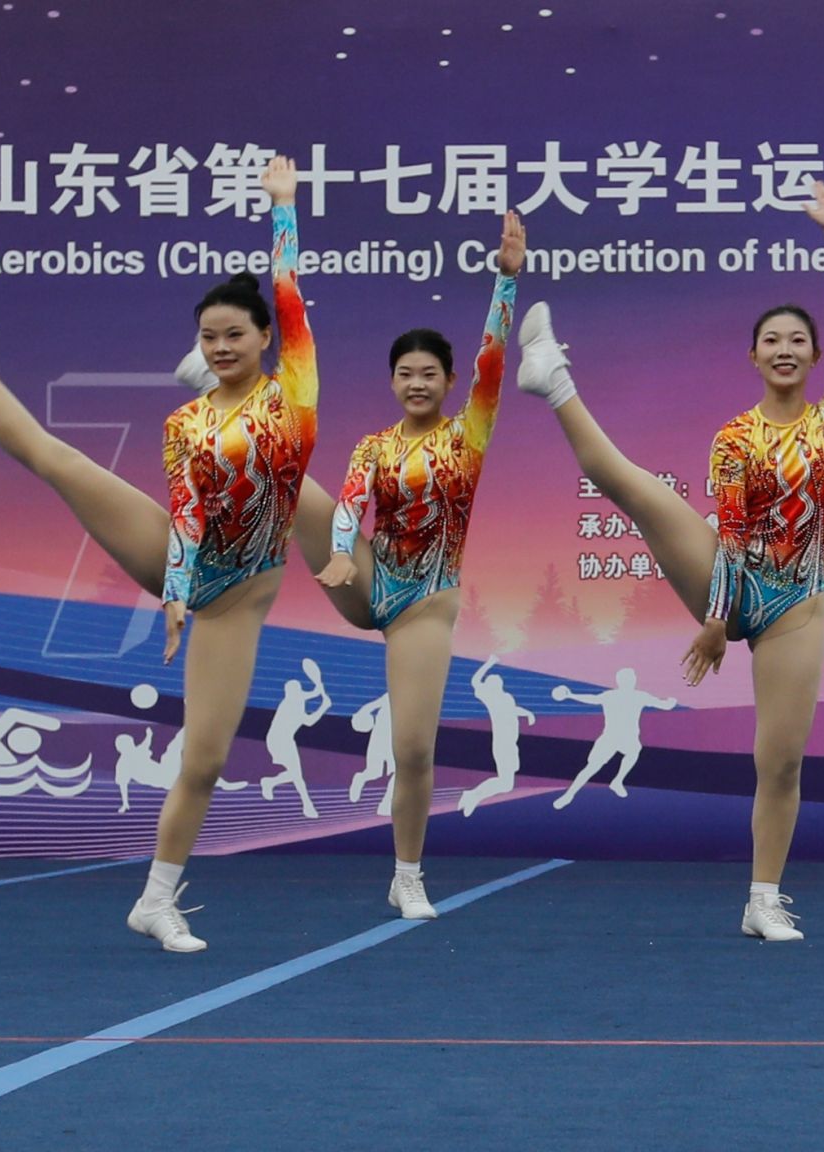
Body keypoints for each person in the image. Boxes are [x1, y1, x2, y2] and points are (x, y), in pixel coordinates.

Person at [0, 157, 321, 952]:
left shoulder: (295, 388)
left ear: (266, 338)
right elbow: (189, 512)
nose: (224, 343)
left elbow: (290, 289)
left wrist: (282, 207)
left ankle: (153, 901)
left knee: (207, 756)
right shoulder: (184, 428)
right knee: (55, 459)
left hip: (250, 589)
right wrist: (176, 595)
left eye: (233, 336)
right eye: (209, 338)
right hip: (207, 585)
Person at [512, 180, 824, 942]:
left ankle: (762, 900)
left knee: (780, 763)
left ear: (815, 356)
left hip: (797, 608)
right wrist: (714, 619)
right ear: (752, 356)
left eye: (797, 340)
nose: (784, 349)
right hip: (729, 579)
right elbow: (730, 532)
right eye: (771, 340)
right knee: (633, 487)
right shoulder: (734, 437)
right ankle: (551, 377)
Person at [313, 214, 525, 919]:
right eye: (405, 374)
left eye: (428, 374)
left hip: (424, 604)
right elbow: (349, 503)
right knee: (291, 486)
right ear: (392, 381)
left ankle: (407, 874)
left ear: (449, 381)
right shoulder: (373, 446)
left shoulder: (468, 437)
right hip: (368, 574)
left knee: (412, 748)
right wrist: (340, 553)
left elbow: (493, 364)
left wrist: (505, 282)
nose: (416, 383)